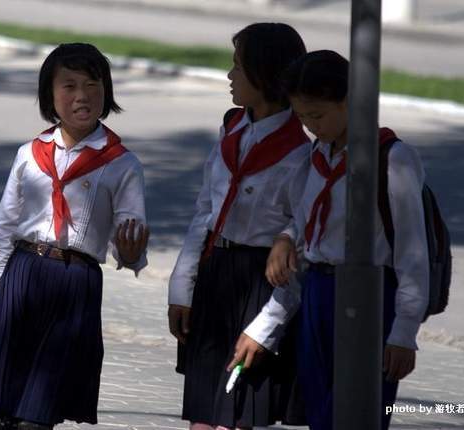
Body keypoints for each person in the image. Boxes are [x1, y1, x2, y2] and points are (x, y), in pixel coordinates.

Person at [0, 43, 150, 430]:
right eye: (69, 85)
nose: (82, 96)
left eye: (93, 85)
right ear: (50, 95)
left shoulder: (122, 163)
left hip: (74, 284)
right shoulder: (29, 154)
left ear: (107, 91)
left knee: (40, 409)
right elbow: (4, 232)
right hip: (24, 276)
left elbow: (128, 234)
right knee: (8, 404)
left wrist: (130, 254)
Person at [268, 49, 429, 430]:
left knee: (360, 413)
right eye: (303, 116)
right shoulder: (317, 155)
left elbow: (412, 251)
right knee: (321, 413)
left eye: (318, 115)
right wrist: (286, 239)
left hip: (371, 296)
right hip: (319, 292)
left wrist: (404, 331)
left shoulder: (392, 158)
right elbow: (304, 221)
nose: (310, 126)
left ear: (350, 100)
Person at [168, 23, 310, 429]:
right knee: (201, 415)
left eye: (238, 66)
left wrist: (266, 329)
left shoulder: (300, 154)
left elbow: (300, 255)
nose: (230, 76)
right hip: (216, 276)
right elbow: (205, 212)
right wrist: (182, 288)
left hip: (261, 286)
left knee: (235, 415)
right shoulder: (232, 128)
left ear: (265, 74)